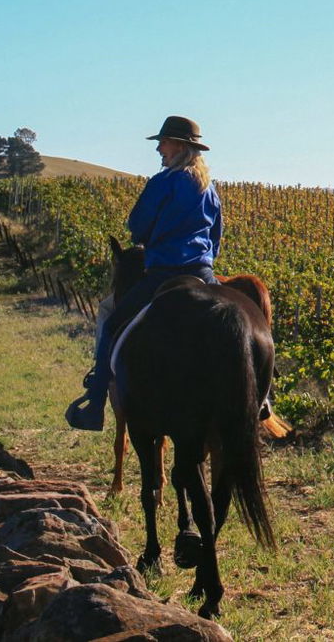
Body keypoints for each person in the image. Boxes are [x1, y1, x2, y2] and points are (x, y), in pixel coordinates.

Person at [64, 115, 223, 431]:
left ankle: (95, 403)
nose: (159, 149)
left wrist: (151, 239)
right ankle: (264, 398)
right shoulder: (209, 189)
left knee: (113, 325)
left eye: (163, 143)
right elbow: (216, 237)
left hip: (164, 273)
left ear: (178, 146)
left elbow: (137, 227)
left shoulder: (162, 183)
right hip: (204, 273)